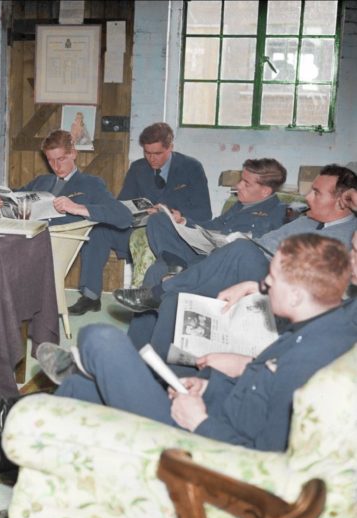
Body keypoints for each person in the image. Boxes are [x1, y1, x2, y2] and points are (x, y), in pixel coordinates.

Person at [0, 233, 356, 473]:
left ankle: (11, 416)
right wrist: (209, 386)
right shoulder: (326, 325)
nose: (263, 284)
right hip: (211, 412)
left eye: (272, 281)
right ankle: (12, 458)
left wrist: (199, 421)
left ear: (300, 294)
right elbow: (260, 388)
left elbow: (264, 463)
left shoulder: (313, 365)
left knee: (101, 339)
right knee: (82, 393)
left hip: (202, 448)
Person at [116, 164, 357, 353]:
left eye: (316, 192)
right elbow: (262, 241)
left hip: (276, 280)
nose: (307, 197)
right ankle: (137, 355)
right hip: (237, 261)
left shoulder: (350, 235)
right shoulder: (305, 219)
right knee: (164, 279)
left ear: (343, 201)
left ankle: (162, 289)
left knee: (242, 249)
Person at [68, 122, 212, 315]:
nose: (151, 159)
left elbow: (204, 213)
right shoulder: (138, 168)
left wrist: (178, 215)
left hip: (172, 235)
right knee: (99, 231)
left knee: (151, 232)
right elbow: (122, 205)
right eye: (147, 153)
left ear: (171, 147)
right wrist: (137, 213)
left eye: (157, 154)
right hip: (138, 227)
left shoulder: (191, 167)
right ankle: (90, 296)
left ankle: (146, 300)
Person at [0, 129, 133, 313]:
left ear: (73, 154)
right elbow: (17, 196)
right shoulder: (42, 181)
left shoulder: (91, 183)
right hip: (25, 241)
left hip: (54, 247)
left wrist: (76, 208)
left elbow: (123, 216)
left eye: (61, 159)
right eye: (50, 160)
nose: (56, 166)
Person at [143, 158, 288, 285]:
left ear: (265, 191)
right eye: (240, 180)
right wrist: (183, 221)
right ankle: (174, 265)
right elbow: (214, 225)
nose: (238, 186)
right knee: (158, 220)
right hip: (205, 251)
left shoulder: (279, 212)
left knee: (157, 271)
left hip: (221, 263)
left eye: (246, 183)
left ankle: (174, 270)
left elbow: (263, 249)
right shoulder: (240, 205)